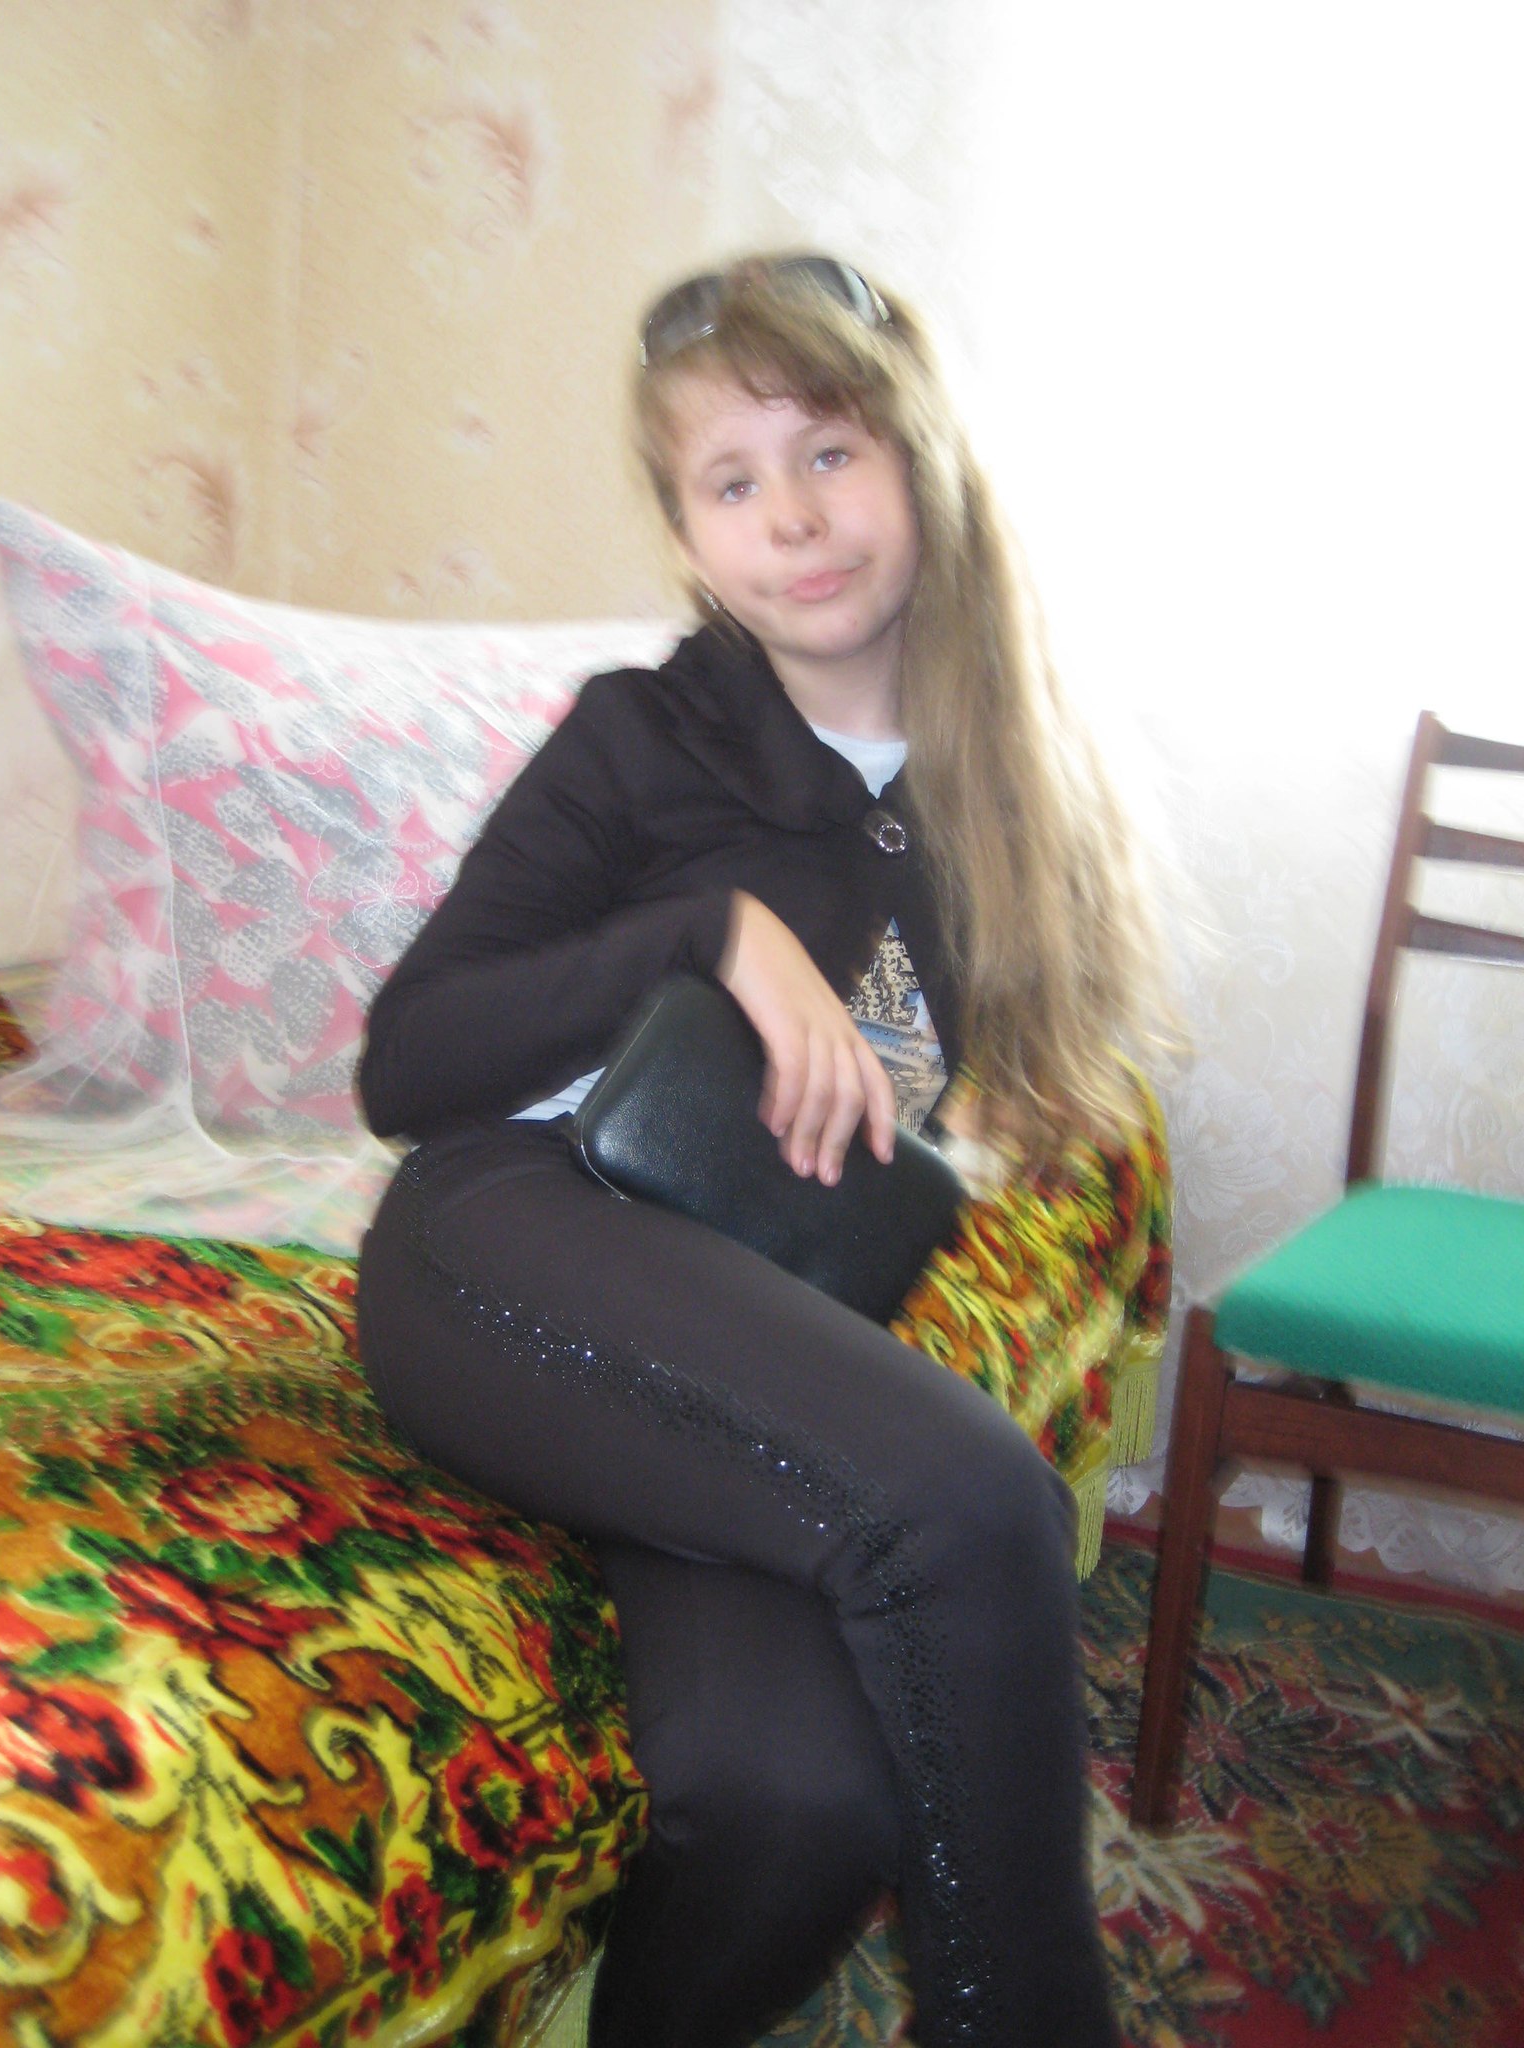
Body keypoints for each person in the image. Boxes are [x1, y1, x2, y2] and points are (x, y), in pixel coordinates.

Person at [356, 254, 1163, 2048]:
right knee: (977, 1502)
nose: (790, 518)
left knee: (802, 1802)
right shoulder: (642, 739)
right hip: (503, 1241)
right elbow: (405, 1064)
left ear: (922, 466)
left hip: (721, 1319)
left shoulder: (992, 813)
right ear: (689, 537)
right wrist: (708, 930)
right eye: (731, 482)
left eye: (830, 454)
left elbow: (883, 1149)